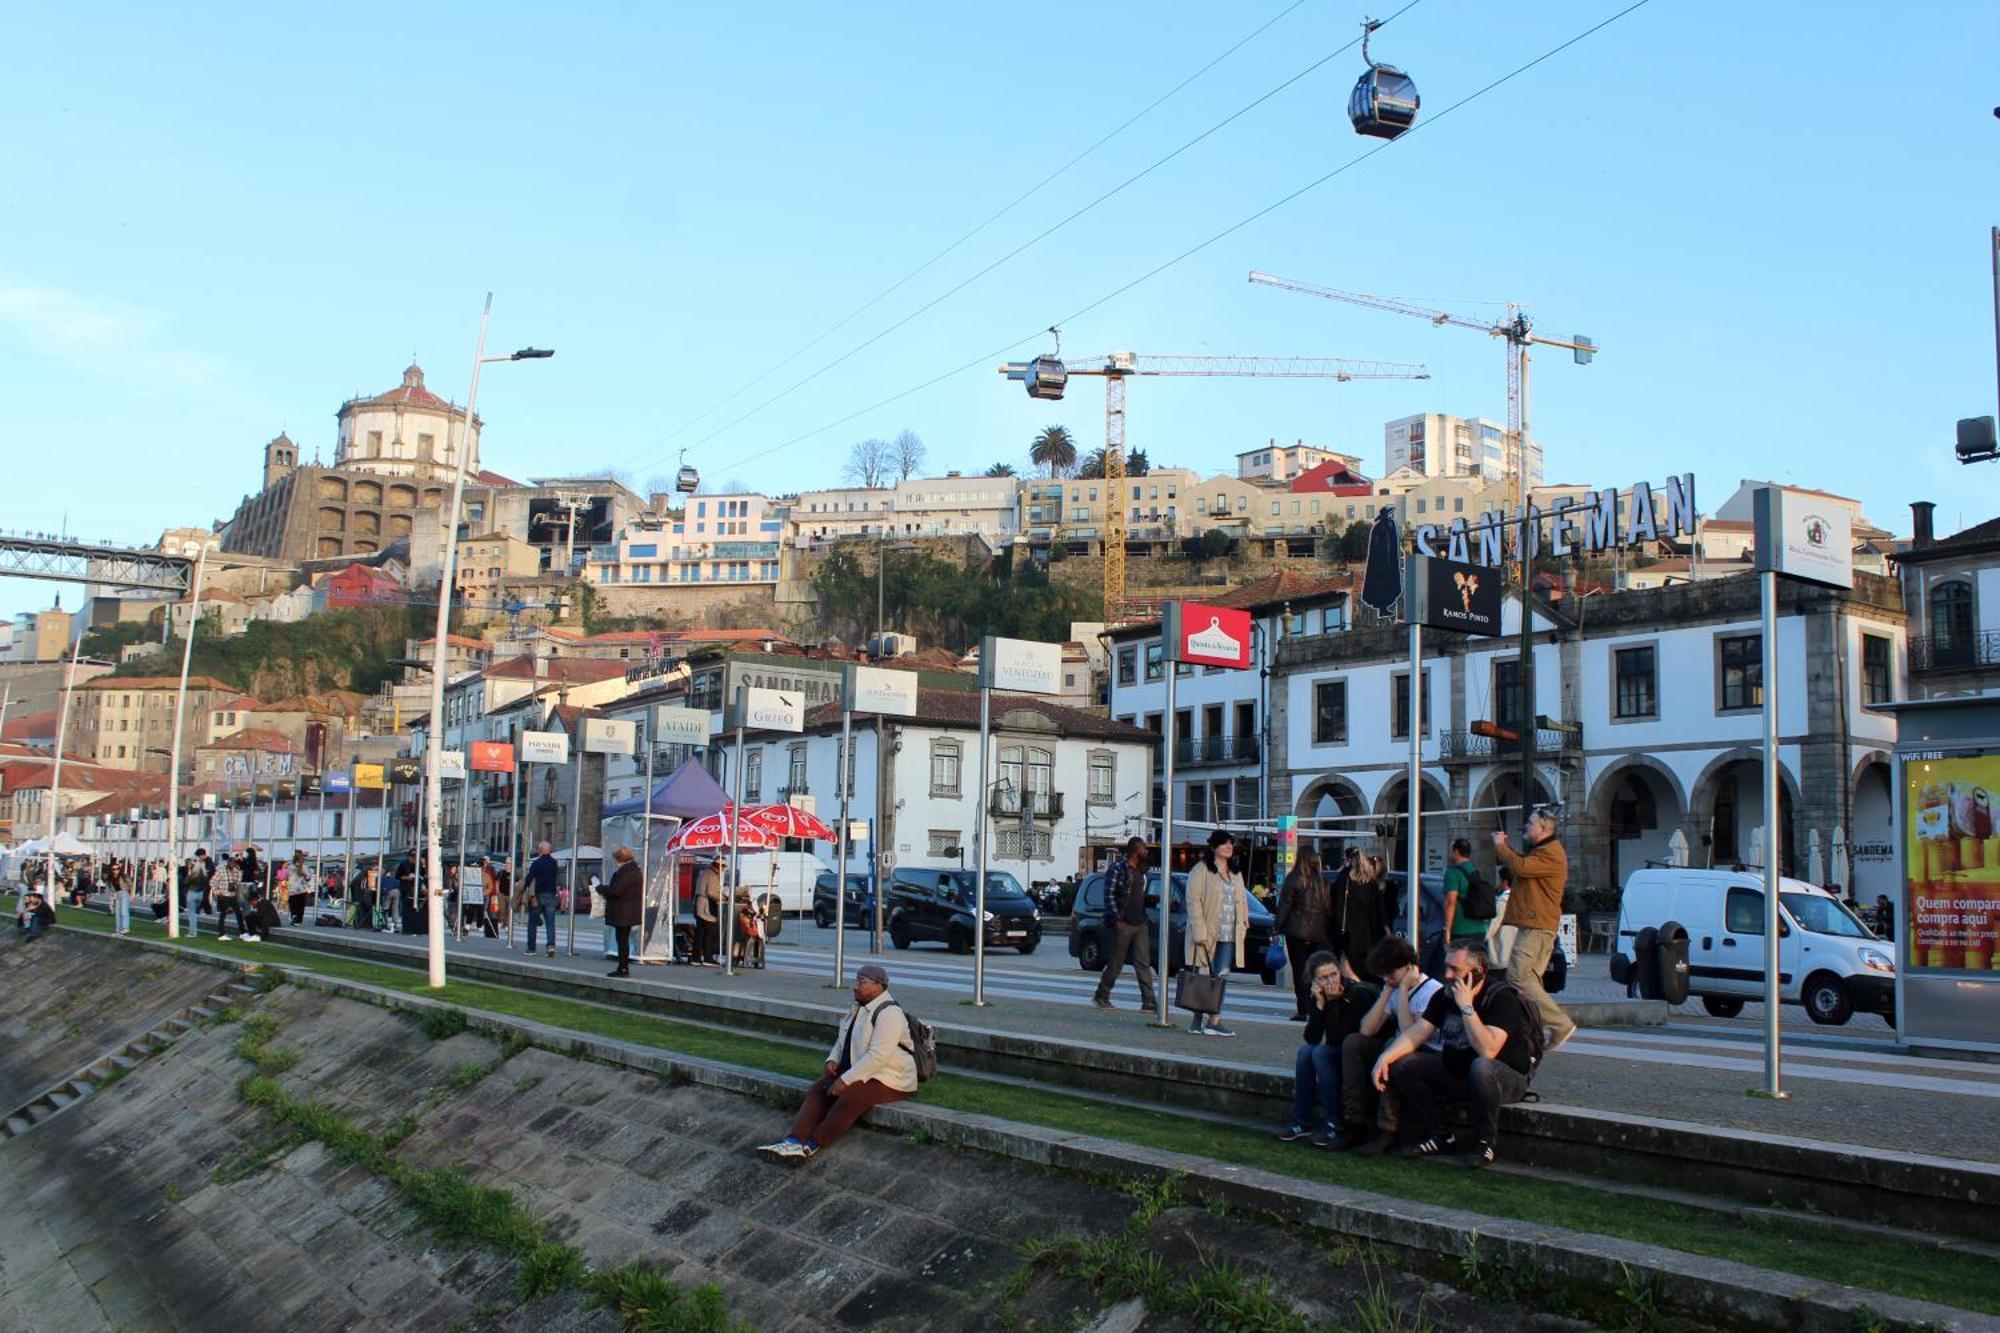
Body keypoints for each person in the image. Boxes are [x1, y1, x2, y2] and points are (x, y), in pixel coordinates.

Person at [1375, 940, 1538, 1169]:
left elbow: (1488, 1050)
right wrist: (1385, 1058)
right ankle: (1440, 1135)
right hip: (1460, 1073)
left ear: (1478, 970)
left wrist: (1467, 1007)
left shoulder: (1502, 998)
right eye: (1446, 967)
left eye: (1456, 969)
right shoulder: (1444, 995)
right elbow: (1418, 1033)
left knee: (1481, 1067)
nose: (1447, 975)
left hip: (1503, 1079)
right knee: (1404, 1064)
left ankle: (1485, 1143)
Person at [756, 963, 917, 1162]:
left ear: (879, 986)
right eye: (857, 980)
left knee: (852, 1096)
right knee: (820, 1088)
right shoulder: (859, 1008)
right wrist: (833, 1059)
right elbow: (843, 1039)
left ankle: (812, 1145)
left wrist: (846, 1080)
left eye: (862, 982)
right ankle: (793, 1141)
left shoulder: (890, 1013)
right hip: (864, 1072)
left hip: (892, 1078)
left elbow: (878, 1056)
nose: (856, 986)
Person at [1333, 935, 1444, 1154]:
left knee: (1394, 1051)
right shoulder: (1390, 988)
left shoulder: (1432, 991)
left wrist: (1402, 991)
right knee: (1354, 1043)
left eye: (1390, 974)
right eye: (1383, 975)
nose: (1387, 979)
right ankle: (1354, 1120)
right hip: (1401, 1045)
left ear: (1409, 968)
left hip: (1426, 1052)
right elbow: (1367, 1029)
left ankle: (1388, 1128)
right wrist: (1386, 992)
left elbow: (1409, 1035)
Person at [1491, 804, 1577, 1054]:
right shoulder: (1543, 851)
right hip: (1537, 925)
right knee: (1530, 983)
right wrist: (1506, 848)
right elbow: (1525, 864)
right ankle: (1532, 1031)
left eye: (1529, 824)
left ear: (1543, 828)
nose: (1525, 827)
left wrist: (1500, 847)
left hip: (1537, 926)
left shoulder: (1551, 853)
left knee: (1517, 977)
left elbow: (1521, 868)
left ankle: (1560, 1024)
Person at [1280, 951, 1377, 1146]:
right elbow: (1311, 1037)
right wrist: (1320, 1005)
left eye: (1333, 974)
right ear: (1315, 981)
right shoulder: (1319, 995)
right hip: (1336, 1051)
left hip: (1357, 1056)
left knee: (1320, 1053)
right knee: (1306, 1052)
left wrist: (1332, 1004)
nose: (1331, 981)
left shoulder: (1357, 994)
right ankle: (1301, 1120)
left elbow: (1339, 1038)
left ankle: (1334, 1122)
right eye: (1323, 978)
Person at [1185, 829, 1250, 1038]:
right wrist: (1199, 930)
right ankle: (1197, 1019)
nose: (1229, 847)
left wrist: (1244, 923)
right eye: (1224, 843)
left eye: (1231, 843)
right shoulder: (1201, 870)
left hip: (1229, 934)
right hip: (1207, 932)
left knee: (1220, 977)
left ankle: (1214, 1020)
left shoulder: (1236, 872)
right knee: (1203, 976)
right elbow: (1193, 901)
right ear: (1214, 847)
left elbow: (1242, 899)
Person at [1091, 836, 1158, 1012]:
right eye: (1144, 848)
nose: (1146, 851)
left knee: (1143, 963)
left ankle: (1149, 1002)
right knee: (1116, 962)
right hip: (1123, 922)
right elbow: (1109, 894)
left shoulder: (1142, 869)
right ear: (1136, 850)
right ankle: (1101, 995)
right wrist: (1115, 920)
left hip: (1140, 922)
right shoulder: (1118, 868)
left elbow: (1139, 894)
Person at [1275, 850, 1334, 1021]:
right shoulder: (1322, 881)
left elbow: (1285, 905)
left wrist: (1277, 927)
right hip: (1317, 932)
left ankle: (1303, 1009)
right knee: (1315, 971)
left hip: (1297, 930)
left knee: (1300, 971)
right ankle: (1316, 1006)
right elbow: (1328, 908)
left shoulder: (1294, 878)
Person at [1330, 852, 1390, 982]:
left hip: (1349, 932)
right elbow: (1380, 911)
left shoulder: (1344, 881)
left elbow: (1338, 907)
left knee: (1349, 968)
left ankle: (1355, 991)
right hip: (1369, 932)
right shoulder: (1372, 884)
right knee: (1368, 969)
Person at [600, 846, 642, 978]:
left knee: (622, 941)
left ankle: (623, 968)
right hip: (630, 911)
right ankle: (622, 967)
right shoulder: (635, 871)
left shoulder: (625, 872)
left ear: (620, 859)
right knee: (623, 940)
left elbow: (615, 891)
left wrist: (601, 888)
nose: (615, 863)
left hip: (623, 911)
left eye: (616, 860)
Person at [524, 841, 562, 956]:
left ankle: (531, 949)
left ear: (540, 850)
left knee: (533, 922)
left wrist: (523, 888)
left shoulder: (537, 863)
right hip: (550, 895)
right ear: (549, 850)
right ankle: (550, 946)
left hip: (538, 895)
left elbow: (529, 878)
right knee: (550, 923)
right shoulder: (554, 863)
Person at [694, 856, 724, 966]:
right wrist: (723, 898)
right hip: (706, 905)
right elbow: (711, 892)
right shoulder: (712, 875)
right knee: (709, 932)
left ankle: (695, 957)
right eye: (723, 866)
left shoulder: (705, 872)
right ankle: (708, 957)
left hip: (699, 903)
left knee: (700, 932)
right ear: (719, 866)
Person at [212, 855, 248, 939]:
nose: (232, 864)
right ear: (228, 863)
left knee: (238, 913)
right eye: (231, 862)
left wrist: (239, 872)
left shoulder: (236, 872)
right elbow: (212, 882)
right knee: (223, 914)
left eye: (234, 863)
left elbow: (238, 883)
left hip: (232, 895)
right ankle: (221, 934)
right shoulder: (221, 871)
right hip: (223, 895)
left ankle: (242, 932)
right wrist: (217, 892)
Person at [107, 858, 132, 936]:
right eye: (114, 869)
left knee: (123, 911)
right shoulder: (111, 879)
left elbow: (131, 884)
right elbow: (111, 890)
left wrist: (132, 895)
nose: (116, 870)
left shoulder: (124, 876)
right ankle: (118, 931)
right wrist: (111, 901)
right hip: (117, 894)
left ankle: (125, 927)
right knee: (118, 913)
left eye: (117, 869)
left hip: (124, 893)